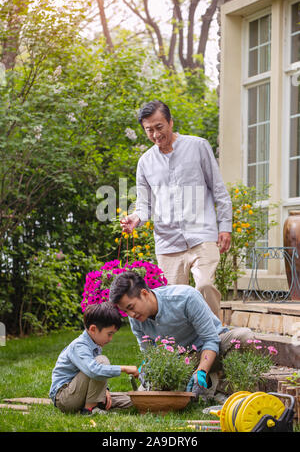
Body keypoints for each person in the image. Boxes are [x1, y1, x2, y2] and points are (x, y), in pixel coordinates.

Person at [120, 100, 232, 318]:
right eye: (149, 130)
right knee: (173, 304)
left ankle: (214, 338)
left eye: (159, 127)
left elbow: (218, 189)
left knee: (205, 286)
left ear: (170, 122)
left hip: (202, 234)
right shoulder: (145, 162)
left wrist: (225, 226)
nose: (155, 135)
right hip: (168, 243)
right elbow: (144, 205)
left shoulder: (198, 146)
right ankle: (182, 350)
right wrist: (135, 218)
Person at [109, 271, 255, 400]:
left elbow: (211, 340)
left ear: (144, 293)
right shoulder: (135, 319)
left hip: (212, 350)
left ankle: (221, 388)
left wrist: (201, 371)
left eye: (131, 307)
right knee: (148, 396)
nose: (131, 315)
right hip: (182, 361)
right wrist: (148, 371)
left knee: (244, 336)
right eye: (125, 311)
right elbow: (150, 354)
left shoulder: (185, 297)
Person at [49, 302, 139, 415]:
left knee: (131, 401)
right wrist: (124, 369)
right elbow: (94, 370)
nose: (111, 339)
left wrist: (105, 390)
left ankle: (98, 404)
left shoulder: (94, 345)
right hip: (65, 398)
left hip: (81, 394)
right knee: (102, 361)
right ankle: (90, 410)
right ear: (93, 329)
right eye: (109, 334)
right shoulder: (79, 346)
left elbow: (94, 377)